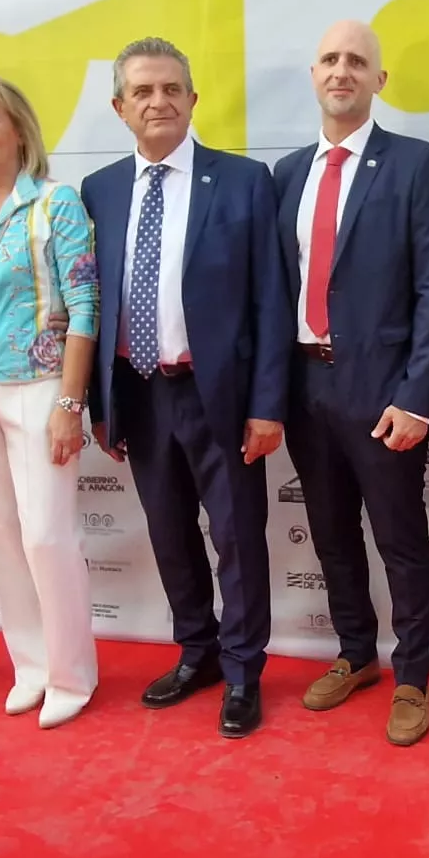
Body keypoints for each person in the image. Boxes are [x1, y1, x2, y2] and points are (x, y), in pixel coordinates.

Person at [81, 36, 292, 739]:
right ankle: (196, 652)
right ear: (120, 107)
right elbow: (96, 302)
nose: (158, 101)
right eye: (142, 91)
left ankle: (241, 672)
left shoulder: (243, 183)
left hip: (219, 395)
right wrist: (99, 406)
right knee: (170, 536)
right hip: (138, 393)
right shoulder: (100, 190)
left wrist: (267, 405)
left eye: (171, 88)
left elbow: (270, 302)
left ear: (194, 99)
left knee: (237, 537)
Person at [270, 20, 429, 746]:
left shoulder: (414, 164)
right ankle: (356, 654)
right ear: (313, 75)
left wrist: (418, 395)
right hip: (304, 389)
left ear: (379, 81)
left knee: (400, 539)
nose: (341, 71)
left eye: (357, 61)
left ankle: (412, 676)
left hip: (385, 394)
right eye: (329, 59)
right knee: (331, 535)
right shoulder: (285, 174)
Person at [0, 76, 100, 729]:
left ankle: (71, 674)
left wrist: (70, 401)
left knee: (45, 534)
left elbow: (84, 303)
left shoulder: (56, 204)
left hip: (39, 384)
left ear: (17, 129)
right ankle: (30, 665)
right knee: (1, 534)